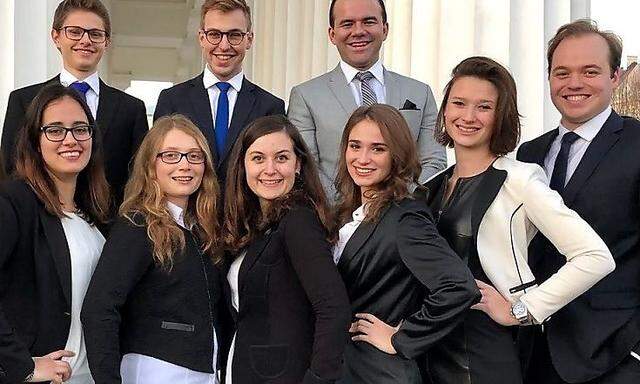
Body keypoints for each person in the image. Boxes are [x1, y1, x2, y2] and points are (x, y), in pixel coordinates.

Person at [418, 56, 615, 384]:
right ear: (444, 110)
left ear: (500, 116)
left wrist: (522, 310)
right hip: (432, 346)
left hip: (486, 347)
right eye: (459, 103)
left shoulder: (519, 179)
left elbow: (595, 257)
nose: (468, 116)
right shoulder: (432, 187)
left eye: (483, 107)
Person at [517, 20, 640, 384]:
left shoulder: (637, 144)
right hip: (536, 350)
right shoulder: (529, 153)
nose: (574, 83)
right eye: (562, 72)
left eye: (590, 71)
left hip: (616, 354)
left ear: (615, 76)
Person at [332, 104, 479, 383]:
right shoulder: (344, 214)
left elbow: (459, 287)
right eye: (355, 146)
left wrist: (401, 338)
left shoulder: (405, 218)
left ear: (396, 156)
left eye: (378, 149)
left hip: (382, 372)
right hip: (348, 369)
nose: (363, 158)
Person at [81, 115, 231, 383]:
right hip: (155, 369)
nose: (185, 165)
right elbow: (99, 307)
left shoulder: (203, 228)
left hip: (202, 370)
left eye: (194, 156)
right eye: (171, 155)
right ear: (151, 165)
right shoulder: (137, 225)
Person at [222, 115, 351, 383]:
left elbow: (333, 307)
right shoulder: (257, 226)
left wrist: (318, 379)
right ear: (242, 165)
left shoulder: (299, 220)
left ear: (298, 165)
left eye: (281, 158)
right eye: (258, 158)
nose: (270, 169)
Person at [0, 84, 111, 384]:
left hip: (91, 376)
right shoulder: (15, 201)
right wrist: (20, 365)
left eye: (80, 129)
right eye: (55, 130)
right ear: (35, 141)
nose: (70, 140)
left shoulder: (96, 212)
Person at [288, 0, 446, 198]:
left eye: (368, 21)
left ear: (385, 29)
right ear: (332, 34)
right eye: (347, 24)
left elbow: (435, 161)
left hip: (403, 218)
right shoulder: (305, 96)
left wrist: (394, 204)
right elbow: (307, 167)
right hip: (335, 221)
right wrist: (355, 208)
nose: (358, 31)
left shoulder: (419, 93)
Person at [1, 0, 148, 205]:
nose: (86, 40)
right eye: (75, 31)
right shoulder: (24, 101)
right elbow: (11, 168)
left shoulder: (131, 109)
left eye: (95, 34)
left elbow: (138, 177)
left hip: (108, 227)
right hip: (40, 221)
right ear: (56, 36)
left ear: (106, 41)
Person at [154, 0, 285, 186]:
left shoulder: (270, 106)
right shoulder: (172, 100)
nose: (224, 46)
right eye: (214, 34)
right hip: (189, 211)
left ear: (249, 39)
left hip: (247, 213)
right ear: (201, 38)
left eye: (234, 35)